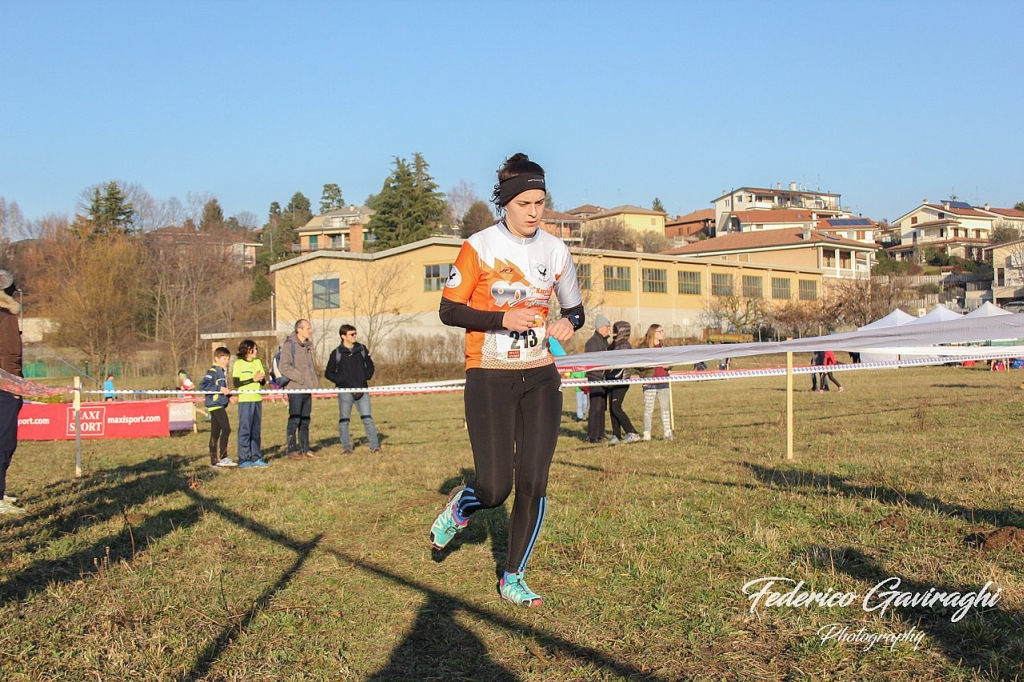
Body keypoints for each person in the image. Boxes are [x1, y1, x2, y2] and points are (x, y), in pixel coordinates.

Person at [430, 153, 584, 608]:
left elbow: (575, 310)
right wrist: (501, 318)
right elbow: (449, 310)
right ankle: (462, 507)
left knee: (534, 481)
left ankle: (512, 575)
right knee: (496, 489)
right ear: (506, 203)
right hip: (489, 375)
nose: (535, 211)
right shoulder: (478, 246)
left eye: (541, 202)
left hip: (539, 375)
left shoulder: (556, 250)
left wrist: (567, 325)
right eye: (525, 203)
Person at [324, 324, 380, 454]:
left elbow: (370, 366)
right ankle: (347, 448)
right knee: (344, 421)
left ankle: (375, 446)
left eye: (355, 334)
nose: (355, 336)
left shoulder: (361, 349)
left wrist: (365, 377)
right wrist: (341, 380)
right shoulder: (336, 353)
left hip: (362, 389)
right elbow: (329, 373)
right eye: (351, 334)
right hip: (345, 391)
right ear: (343, 336)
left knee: (367, 419)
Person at [0, 270, 25, 514]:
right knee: (4, 441)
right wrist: (16, 386)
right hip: (4, 388)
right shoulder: (6, 317)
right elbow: (10, 355)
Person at [280, 319, 319, 460]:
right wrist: (301, 379)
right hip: (295, 389)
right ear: (299, 330)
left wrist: (314, 382)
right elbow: (284, 367)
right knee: (294, 419)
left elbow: (310, 367)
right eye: (308, 328)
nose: (311, 330)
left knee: (305, 420)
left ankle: (305, 449)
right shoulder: (289, 345)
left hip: (307, 389)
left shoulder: (307, 346)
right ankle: (291, 450)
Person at [232, 339, 268, 468]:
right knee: (245, 429)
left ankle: (256, 457)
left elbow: (262, 382)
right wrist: (252, 379)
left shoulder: (258, 362)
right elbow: (236, 383)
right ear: (247, 350)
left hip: (257, 399)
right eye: (254, 349)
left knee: (255, 430)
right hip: (245, 400)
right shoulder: (238, 364)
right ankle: (243, 458)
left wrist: (262, 379)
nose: (256, 351)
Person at [201, 346, 236, 468]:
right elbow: (204, 385)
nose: (226, 361)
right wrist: (220, 389)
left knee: (215, 433)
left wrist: (229, 396)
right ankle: (223, 457)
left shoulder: (222, 371)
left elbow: (223, 389)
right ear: (216, 358)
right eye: (223, 358)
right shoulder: (213, 371)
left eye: (227, 359)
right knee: (226, 429)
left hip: (219, 404)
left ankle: (214, 462)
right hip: (215, 405)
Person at [637, 324, 674, 441]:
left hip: (663, 381)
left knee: (665, 408)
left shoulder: (665, 347)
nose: (662, 333)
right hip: (650, 382)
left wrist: (668, 366)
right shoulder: (643, 348)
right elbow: (638, 365)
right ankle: (647, 432)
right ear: (653, 333)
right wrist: (646, 372)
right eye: (659, 331)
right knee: (648, 408)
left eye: (663, 331)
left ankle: (667, 432)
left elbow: (671, 362)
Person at [606, 321, 641, 444]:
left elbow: (620, 364)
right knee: (612, 408)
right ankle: (616, 435)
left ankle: (632, 432)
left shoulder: (624, 345)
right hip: (611, 379)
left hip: (620, 380)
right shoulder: (613, 344)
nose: (613, 333)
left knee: (616, 408)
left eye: (615, 330)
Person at [584, 314, 612, 442]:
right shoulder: (592, 343)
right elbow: (591, 362)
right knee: (595, 407)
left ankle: (600, 434)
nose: (608, 329)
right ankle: (592, 435)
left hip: (603, 378)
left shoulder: (604, 341)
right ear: (600, 327)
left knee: (602, 407)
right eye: (607, 327)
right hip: (595, 378)